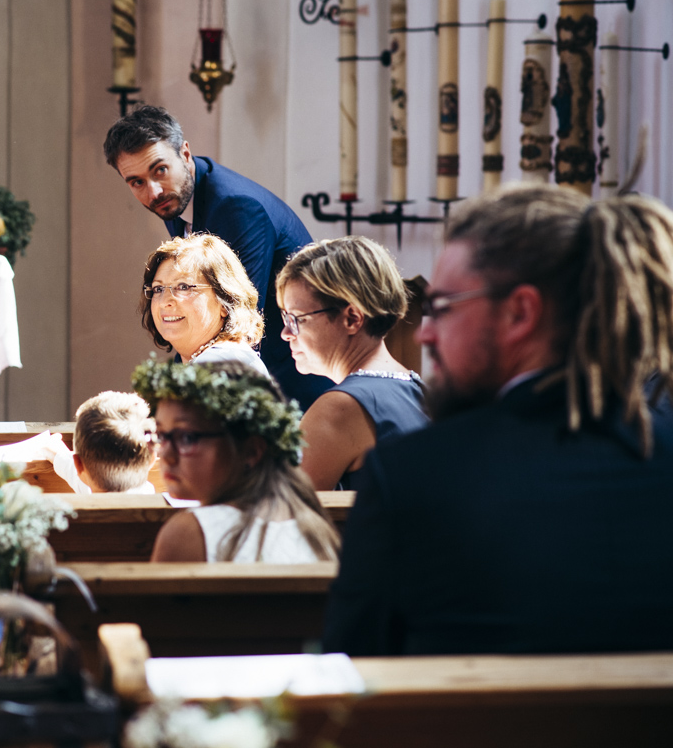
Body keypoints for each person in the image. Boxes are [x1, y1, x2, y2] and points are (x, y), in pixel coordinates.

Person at [323, 185, 673, 656]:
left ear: (520, 313)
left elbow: (351, 671)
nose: (424, 332)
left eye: (442, 308)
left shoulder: (413, 475)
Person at [105, 105, 333, 407]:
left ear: (185, 154)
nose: (154, 191)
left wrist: (164, 408)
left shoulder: (235, 208)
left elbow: (230, 324)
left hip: (296, 385)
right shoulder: (176, 201)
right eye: (137, 182)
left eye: (160, 170)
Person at [132, 358, 340, 563]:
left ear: (251, 451)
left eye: (187, 438)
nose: (165, 455)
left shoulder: (188, 535)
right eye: (161, 434)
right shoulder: (316, 528)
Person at [274, 236, 428, 490]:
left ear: (352, 319)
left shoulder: (340, 407)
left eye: (295, 319)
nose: (286, 334)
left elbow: (279, 515)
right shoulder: (418, 388)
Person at [139, 233, 268, 377]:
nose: (164, 302)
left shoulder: (219, 365)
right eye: (158, 289)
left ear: (225, 301)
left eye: (183, 287)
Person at [70, 391, 158, 494]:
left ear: (78, 465)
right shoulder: (148, 492)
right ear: (152, 458)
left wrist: (56, 454)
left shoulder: (85, 501)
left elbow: (77, 476)